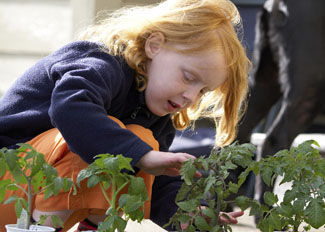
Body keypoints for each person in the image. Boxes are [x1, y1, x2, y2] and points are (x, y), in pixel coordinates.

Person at [0, 0, 250, 231]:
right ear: (154, 45)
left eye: (202, 90)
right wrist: (142, 155)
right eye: (188, 77)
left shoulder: (156, 117)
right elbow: (70, 109)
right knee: (107, 142)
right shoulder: (100, 62)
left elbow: (153, 181)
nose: (191, 97)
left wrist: (189, 214)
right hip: (8, 186)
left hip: (33, 200)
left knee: (133, 146)